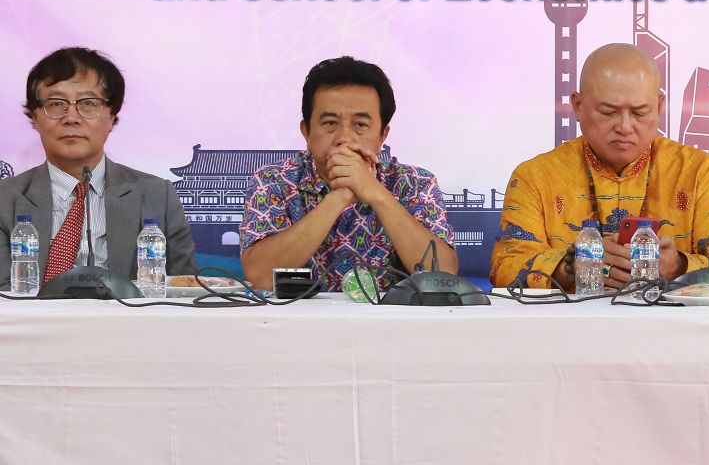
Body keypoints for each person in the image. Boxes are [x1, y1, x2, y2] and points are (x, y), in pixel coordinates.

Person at [492, 43, 709, 292]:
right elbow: (505, 267)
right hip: (569, 322)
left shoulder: (699, 172)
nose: (625, 127)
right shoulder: (536, 177)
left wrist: (680, 266)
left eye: (640, 113)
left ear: (659, 106)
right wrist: (569, 266)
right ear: (578, 106)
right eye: (608, 112)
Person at [240, 56, 452, 290]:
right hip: (299, 315)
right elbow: (261, 275)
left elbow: (443, 278)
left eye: (360, 125)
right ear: (306, 131)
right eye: (330, 123)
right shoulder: (273, 181)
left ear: (383, 134)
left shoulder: (415, 183)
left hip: (389, 315)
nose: (344, 138)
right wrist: (339, 197)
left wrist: (377, 194)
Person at [0, 47, 194, 287]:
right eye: (56, 103)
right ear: (35, 117)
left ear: (112, 116)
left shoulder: (157, 196)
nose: (71, 117)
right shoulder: (5, 200)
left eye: (89, 103)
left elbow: (183, 288)